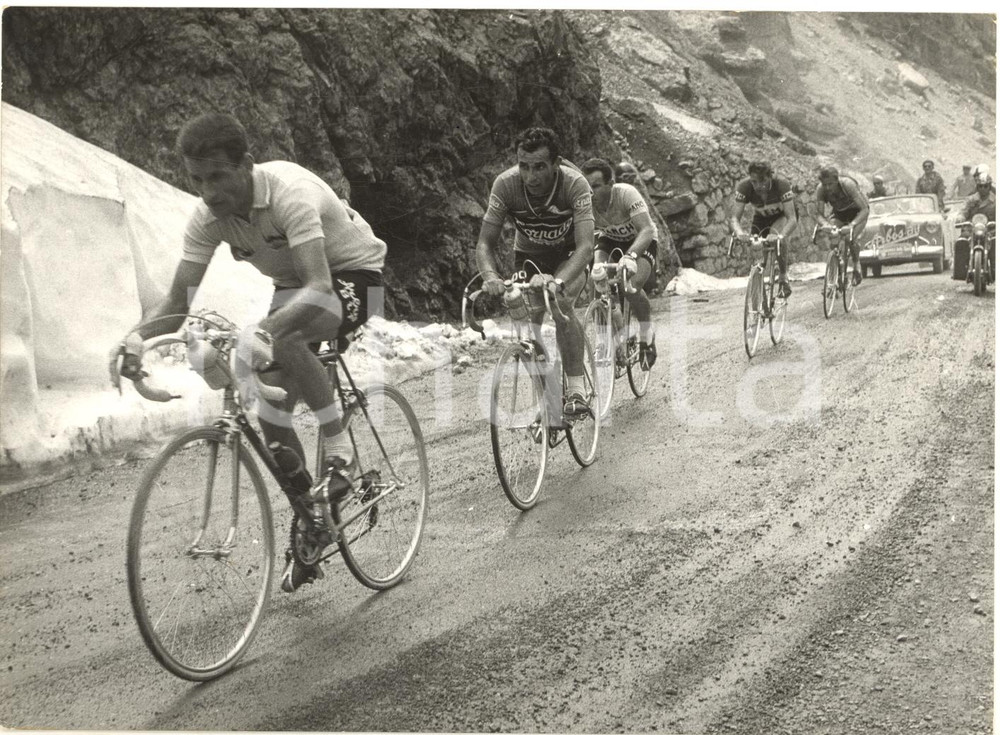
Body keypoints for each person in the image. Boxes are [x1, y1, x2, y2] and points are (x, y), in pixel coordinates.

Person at [108, 112, 387, 593]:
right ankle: (313, 521)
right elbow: (177, 302)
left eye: (218, 176)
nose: (208, 192)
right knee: (271, 409)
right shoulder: (207, 218)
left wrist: (264, 332)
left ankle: (341, 451)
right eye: (196, 180)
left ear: (247, 166)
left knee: (281, 338)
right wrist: (136, 340)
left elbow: (320, 285)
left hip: (357, 276)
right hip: (293, 286)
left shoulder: (289, 194)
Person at [475, 126, 595, 417]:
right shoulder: (505, 185)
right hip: (529, 254)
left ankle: (577, 388)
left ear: (556, 164)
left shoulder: (574, 184)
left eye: (540, 167)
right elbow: (484, 243)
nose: (531, 177)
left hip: (569, 253)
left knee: (560, 302)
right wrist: (490, 276)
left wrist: (559, 280)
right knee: (528, 319)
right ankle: (549, 393)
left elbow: (586, 246)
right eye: (524, 166)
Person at [581, 157, 658, 368]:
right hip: (609, 239)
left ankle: (646, 334)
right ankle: (606, 339)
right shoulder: (584, 201)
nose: (590, 192)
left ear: (610, 184)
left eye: (595, 186)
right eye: (587, 187)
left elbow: (647, 230)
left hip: (640, 240)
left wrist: (631, 256)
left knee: (629, 287)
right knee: (596, 278)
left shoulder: (626, 193)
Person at [727, 161, 798, 297]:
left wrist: (781, 236)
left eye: (763, 181)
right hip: (761, 218)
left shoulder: (781, 184)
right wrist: (740, 233)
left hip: (782, 216)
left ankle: (783, 277)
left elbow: (792, 219)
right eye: (754, 182)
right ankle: (760, 292)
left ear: (770, 177)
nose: (758, 186)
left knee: (776, 238)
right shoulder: (744, 186)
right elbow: (735, 218)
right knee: (756, 249)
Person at [814, 165, 869, 286]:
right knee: (834, 236)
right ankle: (837, 273)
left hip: (857, 214)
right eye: (825, 184)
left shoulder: (848, 185)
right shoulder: (821, 189)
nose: (827, 188)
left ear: (837, 180)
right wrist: (825, 224)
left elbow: (865, 209)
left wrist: (852, 225)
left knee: (850, 237)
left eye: (830, 184)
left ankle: (856, 264)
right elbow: (819, 214)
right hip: (839, 214)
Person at [959, 175, 996, 282]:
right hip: (972, 228)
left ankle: (995, 268)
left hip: (990, 229)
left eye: (985, 186)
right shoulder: (971, 199)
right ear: (977, 187)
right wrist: (961, 217)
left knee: (996, 241)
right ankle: (962, 269)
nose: (983, 189)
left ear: (989, 186)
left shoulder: (995, 200)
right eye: (980, 186)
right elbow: (964, 210)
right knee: (962, 241)